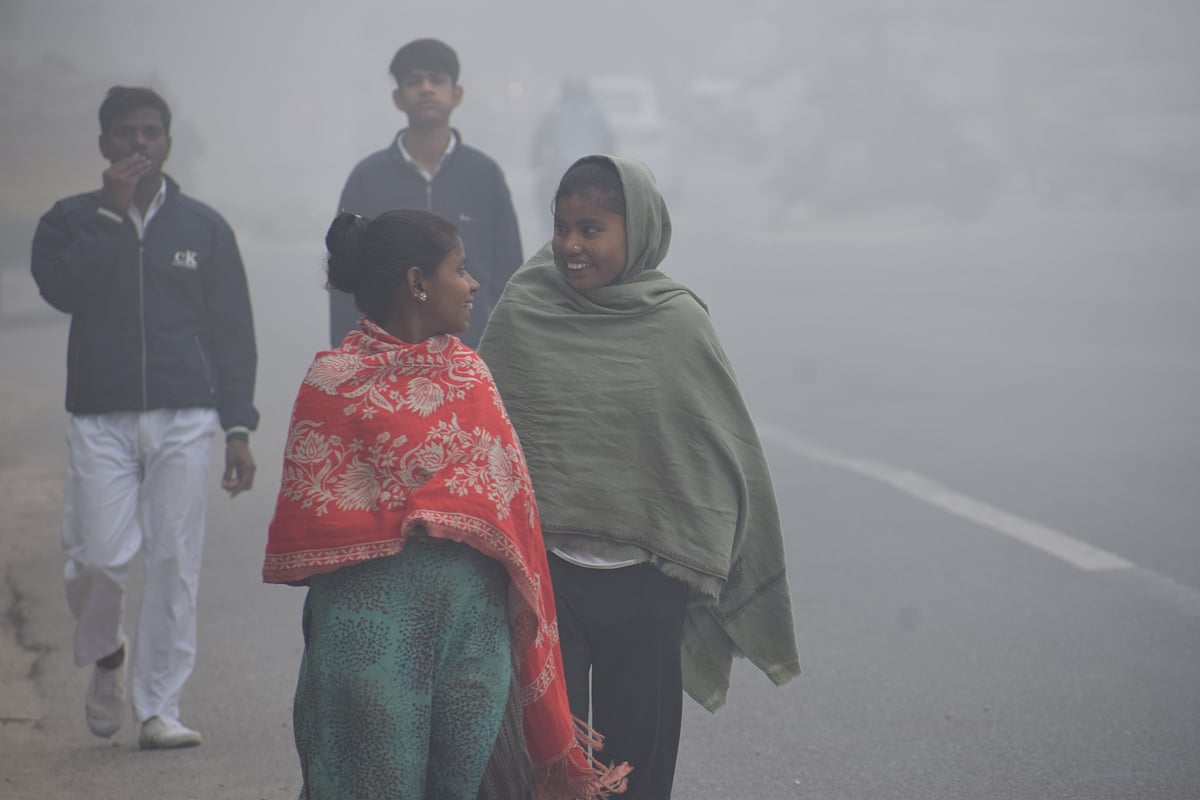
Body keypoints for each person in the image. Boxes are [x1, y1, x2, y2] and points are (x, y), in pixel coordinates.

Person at [263, 209, 629, 799]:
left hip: (470, 644)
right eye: (460, 270)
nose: (473, 284)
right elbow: (314, 520)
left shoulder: (469, 375)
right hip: (365, 648)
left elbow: (512, 514)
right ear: (418, 282)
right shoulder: (332, 382)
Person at [478, 155, 801, 798]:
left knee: (638, 766)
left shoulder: (677, 323)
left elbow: (719, 451)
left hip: (650, 579)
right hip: (545, 578)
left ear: (640, 230)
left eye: (592, 228)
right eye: (562, 226)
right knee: (544, 755)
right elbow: (486, 439)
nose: (570, 245)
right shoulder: (524, 307)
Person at [30, 86, 259, 749]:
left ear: (167, 142)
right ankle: (105, 655)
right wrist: (110, 215)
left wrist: (237, 426)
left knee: (173, 560)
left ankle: (159, 706)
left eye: (150, 132)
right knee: (97, 560)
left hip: (185, 414)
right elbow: (65, 290)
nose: (138, 143)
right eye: (125, 132)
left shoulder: (204, 228)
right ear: (103, 143)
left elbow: (231, 331)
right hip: (100, 415)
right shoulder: (69, 220)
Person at [330, 37, 523, 350]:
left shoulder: (484, 175)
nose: (426, 88)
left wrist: (508, 351)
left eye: (437, 79)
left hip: (473, 348)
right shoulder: (368, 177)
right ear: (398, 97)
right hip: (387, 351)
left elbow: (509, 271)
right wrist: (346, 353)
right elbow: (344, 274)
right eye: (414, 81)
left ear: (456, 94)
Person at [530, 78, 615, 243]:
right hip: (590, 170)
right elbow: (609, 142)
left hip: (561, 170)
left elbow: (539, 141)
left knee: (547, 202)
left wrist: (535, 161)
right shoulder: (596, 114)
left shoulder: (554, 113)